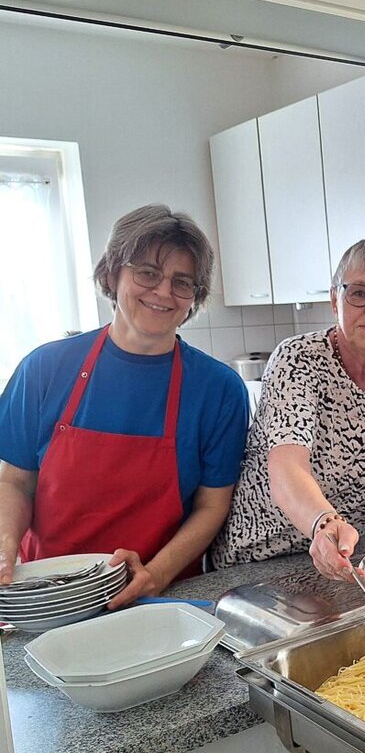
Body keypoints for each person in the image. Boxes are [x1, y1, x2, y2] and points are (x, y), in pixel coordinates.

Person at [0, 204, 249, 608]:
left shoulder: (219, 389)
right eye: (148, 273)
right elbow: (13, 481)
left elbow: (211, 505)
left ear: (194, 298)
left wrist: (156, 574)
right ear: (113, 274)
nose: (163, 292)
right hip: (47, 595)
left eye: (182, 282)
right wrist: (5, 545)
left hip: (160, 597)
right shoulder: (44, 368)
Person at [210, 237, 365, 579]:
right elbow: (287, 466)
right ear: (334, 300)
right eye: (358, 293)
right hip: (256, 560)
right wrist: (323, 523)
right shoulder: (298, 359)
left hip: (346, 554)